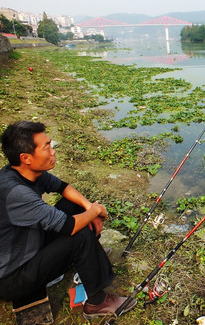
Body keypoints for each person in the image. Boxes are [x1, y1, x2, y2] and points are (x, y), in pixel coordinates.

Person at [0, 121, 137, 323]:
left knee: (78, 207)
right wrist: (97, 210)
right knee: (79, 235)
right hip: (12, 277)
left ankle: (90, 256)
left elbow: (63, 187)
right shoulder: (16, 192)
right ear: (26, 158)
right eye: (47, 147)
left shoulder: (24, 172)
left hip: (28, 245)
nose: (53, 151)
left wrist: (89, 207)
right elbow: (69, 226)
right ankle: (96, 302)